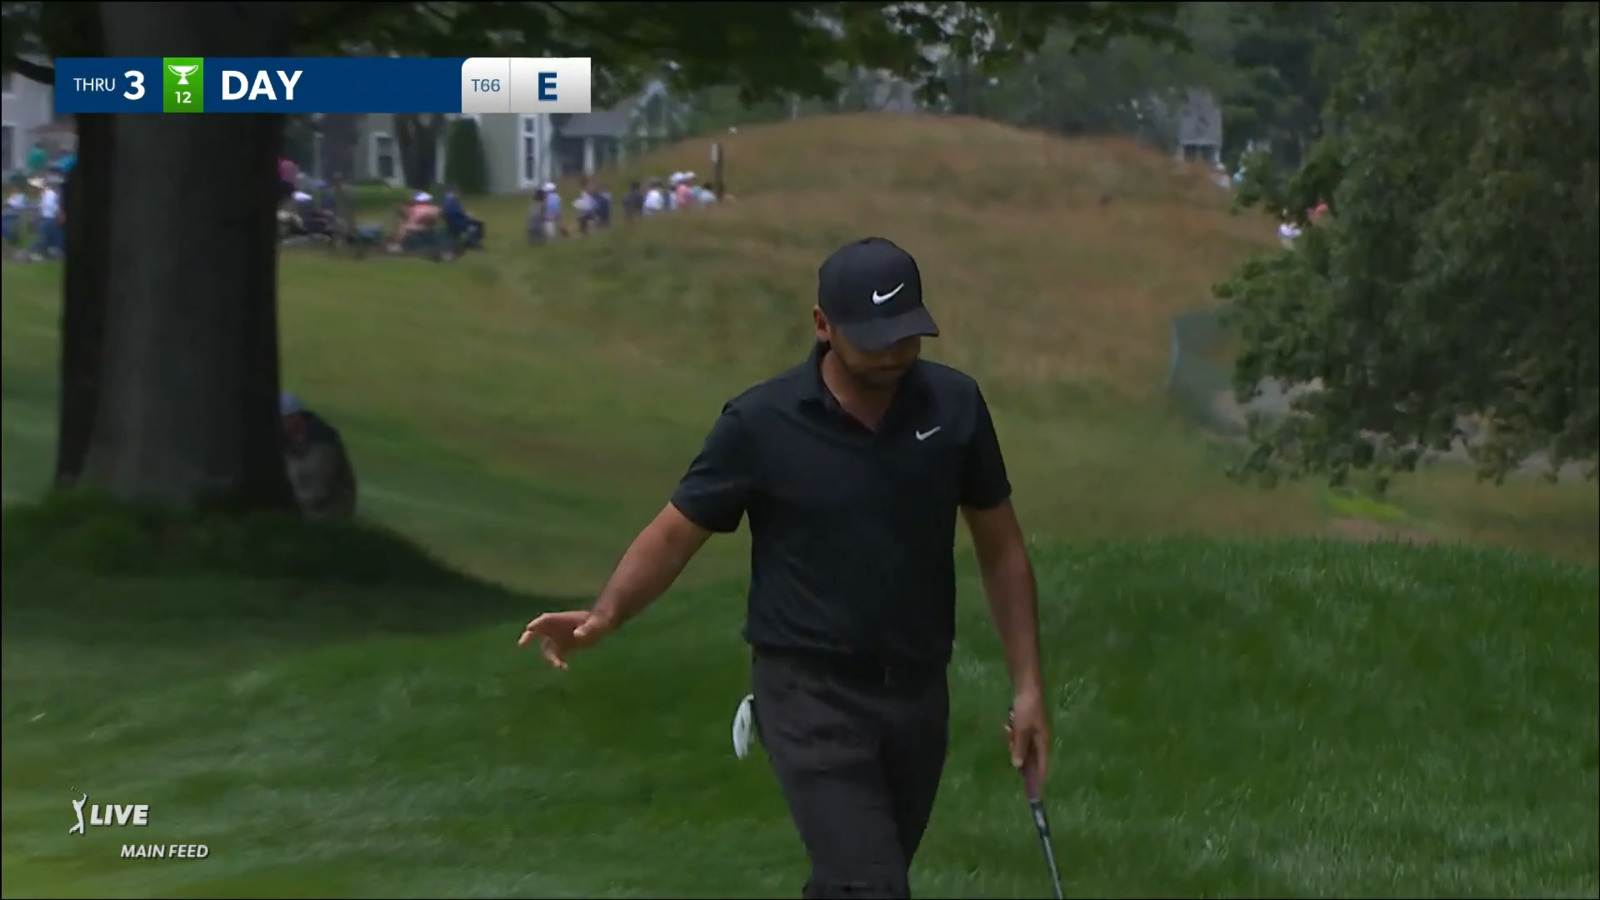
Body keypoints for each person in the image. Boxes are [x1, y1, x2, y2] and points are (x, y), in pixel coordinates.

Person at [519, 237, 1049, 899]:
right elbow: (676, 533)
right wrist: (605, 613)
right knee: (871, 886)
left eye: (907, 334)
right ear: (823, 326)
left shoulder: (954, 407)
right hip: (808, 690)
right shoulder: (761, 423)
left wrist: (1027, 687)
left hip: (916, 690)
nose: (895, 352)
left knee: (854, 882)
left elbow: (1001, 550)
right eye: (875, 337)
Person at [281, 392, 357, 519]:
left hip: (328, 514)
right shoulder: (287, 440)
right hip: (304, 511)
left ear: (295, 418)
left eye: (280, 419)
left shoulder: (321, 444)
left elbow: (317, 492)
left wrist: (282, 503)